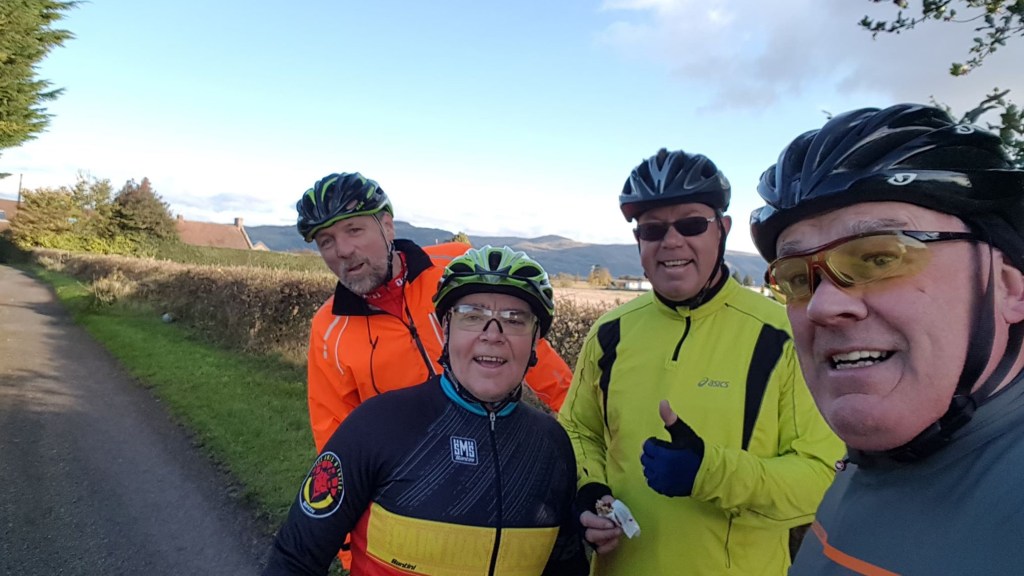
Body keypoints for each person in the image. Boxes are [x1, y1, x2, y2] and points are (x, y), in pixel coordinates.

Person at [751, 103, 1024, 574]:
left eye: (879, 258)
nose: (821, 305)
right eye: (797, 277)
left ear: (1007, 286)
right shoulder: (872, 464)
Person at [557, 148, 844, 575]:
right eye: (652, 230)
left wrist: (709, 474)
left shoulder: (781, 336)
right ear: (639, 241)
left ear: (722, 230)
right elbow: (579, 430)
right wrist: (590, 488)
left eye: (691, 224)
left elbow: (823, 480)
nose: (671, 241)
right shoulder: (610, 332)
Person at [263, 246, 589, 576]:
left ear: (535, 343)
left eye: (514, 319)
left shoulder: (552, 446)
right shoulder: (377, 426)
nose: (492, 335)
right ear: (445, 331)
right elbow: (294, 560)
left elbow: (565, 567)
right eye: (472, 315)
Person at [295, 171, 573, 449]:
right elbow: (334, 435)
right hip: (412, 474)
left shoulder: (454, 265)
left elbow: (525, 343)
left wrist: (577, 422)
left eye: (354, 230)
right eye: (326, 241)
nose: (342, 250)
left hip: (500, 446)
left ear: (387, 227)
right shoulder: (329, 327)